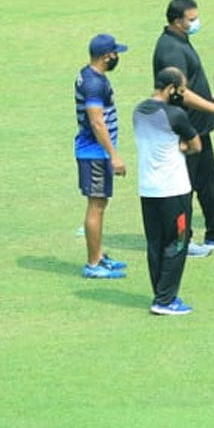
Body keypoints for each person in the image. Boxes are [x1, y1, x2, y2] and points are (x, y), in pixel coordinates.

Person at [152, 0, 214, 256]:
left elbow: (190, 83)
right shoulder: (170, 49)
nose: (196, 23)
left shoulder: (181, 40)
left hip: (198, 128)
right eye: (191, 19)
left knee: (208, 182)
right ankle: (182, 241)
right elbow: (178, 91)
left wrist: (210, 98)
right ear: (176, 21)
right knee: (183, 187)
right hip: (183, 130)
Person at [135, 68, 201, 315]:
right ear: (171, 88)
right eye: (180, 90)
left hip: (148, 189)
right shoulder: (175, 114)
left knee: (155, 243)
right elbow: (196, 145)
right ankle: (165, 300)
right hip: (174, 190)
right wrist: (181, 146)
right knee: (178, 242)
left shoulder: (138, 111)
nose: (182, 95)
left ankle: (160, 293)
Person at [74, 34, 130, 279]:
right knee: (96, 206)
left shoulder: (89, 75)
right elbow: (97, 122)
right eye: (115, 53)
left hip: (95, 152)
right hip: (94, 154)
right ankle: (93, 263)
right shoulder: (94, 84)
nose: (117, 57)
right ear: (107, 56)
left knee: (100, 204)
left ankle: (98, 255)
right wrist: (114, 155)